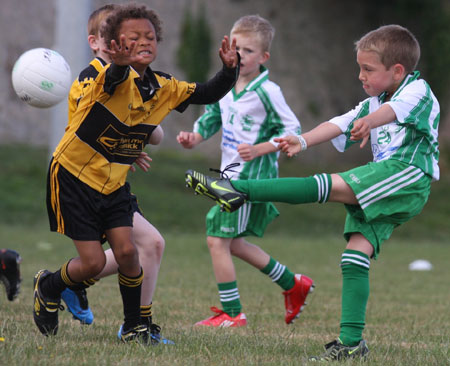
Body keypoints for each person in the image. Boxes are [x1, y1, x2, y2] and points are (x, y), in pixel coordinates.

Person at [185, 24, 439, 360]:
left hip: (406, 174)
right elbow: (339, 122)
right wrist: (302, 140)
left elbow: (393, 112)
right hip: (387, 186)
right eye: (359, 68)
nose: (360, 75)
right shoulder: (375, 101)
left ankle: (237, 188)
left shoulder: (417, 90)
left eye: (368, 69)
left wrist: (373, 121)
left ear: (397, 71)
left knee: (327, 185)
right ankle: (351, 344)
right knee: (353, 257)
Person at [33, 2, 239, 343]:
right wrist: (117, 65)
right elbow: (112, 83)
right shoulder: (103, 77)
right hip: (73, 178)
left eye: (150, 37)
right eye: (132, 38)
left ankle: (136, 326)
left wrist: (229, 71)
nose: (144, 42)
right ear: (113, 45)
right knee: (94, 264)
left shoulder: (164, 86)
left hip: (112, 185)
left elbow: (206, 92)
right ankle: (49, 285)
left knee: (130, 252)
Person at [178, 15, 313, 327]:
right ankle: (294, 284)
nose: (239, 56)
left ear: (264, 57)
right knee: (233, 243)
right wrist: (194, 137)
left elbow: (292, 129)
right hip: (231, 175)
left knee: (216, 239)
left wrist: (262, 148)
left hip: (252, 178)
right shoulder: (226, 84)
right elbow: (212, 113)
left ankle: (232, 312)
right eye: (235, 49)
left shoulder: (269, 91)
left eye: (248, 51)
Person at [59, 4, 169, 344]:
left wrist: (133, 139)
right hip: (83, 185)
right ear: (95, 42)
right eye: (110, 38)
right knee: (141, 246)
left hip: (113, 185)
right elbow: (88, 132)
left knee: (147, 245)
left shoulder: (136, 81)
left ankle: (128, 320)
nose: (118, 44)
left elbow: (156, 134)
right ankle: (129, 321)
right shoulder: (91, 79)